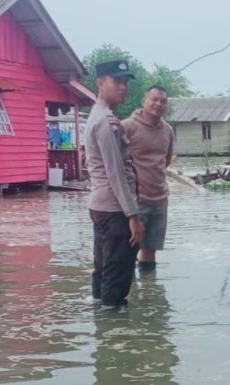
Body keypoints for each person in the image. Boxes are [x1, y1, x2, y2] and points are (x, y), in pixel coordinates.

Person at [84, 59, 143, 306]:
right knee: (117, 277)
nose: (123, 86)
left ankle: (102, 320)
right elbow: (116, 173)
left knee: (104, 270)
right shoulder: (105, 122)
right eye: (117, 81)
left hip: (101, 206)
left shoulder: (97, 116)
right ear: (100, 82)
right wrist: (133, 215)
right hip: (115, 209)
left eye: (125, 81)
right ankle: (114, 326)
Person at [121, 85, 176, 271]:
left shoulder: (168, 130)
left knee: (151, 249)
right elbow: (117, 164)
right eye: (154, 99)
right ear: (143, 101)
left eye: (163, 101)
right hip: (135, 202)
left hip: (160, 199)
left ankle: (149, 287)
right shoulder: (127, 126)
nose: (158, 104)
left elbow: (165, 161)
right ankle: (129, 287)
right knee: (128, 250)